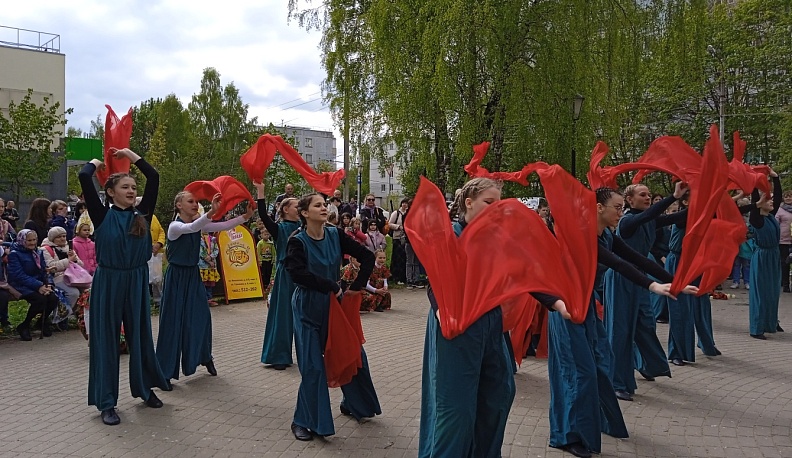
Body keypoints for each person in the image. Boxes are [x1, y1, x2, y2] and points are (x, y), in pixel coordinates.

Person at [420, 177, 568, 458]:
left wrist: (557, 303)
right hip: (456, 326)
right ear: (468, 203)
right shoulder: (449, 236)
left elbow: (524, 272)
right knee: (456, 408)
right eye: (489, 202)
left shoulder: (498, 240)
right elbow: (434, 281)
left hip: (490, 324)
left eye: (498, 204)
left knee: (499, 395)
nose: (495, 209)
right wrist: (441, 312)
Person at [548, 187, 697, 458]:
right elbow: (617, 264)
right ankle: (566, 435)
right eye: (617, 207)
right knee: (579, 372)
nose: (621, 213)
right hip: (567, 307)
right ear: (598, 208)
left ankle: (600, 420)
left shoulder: (606, 234)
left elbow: (636, 258)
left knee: (601, 364)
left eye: (620, 207)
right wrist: (653, 286)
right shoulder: (583, 235)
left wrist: (674, 282)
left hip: (586, 304)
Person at [79, 147, 171, 426]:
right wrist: (99, 161)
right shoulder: (101, 215)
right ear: (110, 192)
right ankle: (107, 402)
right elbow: (84, 176)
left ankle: (145, 389)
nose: (131, 191)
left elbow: (153, 177)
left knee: (140, 335)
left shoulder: (142, 213)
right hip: (109, 281)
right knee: (106, 340)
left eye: (133, 187)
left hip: (136, 279)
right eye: (125, 187)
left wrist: (129, 154)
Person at [284, 193, 381, 441]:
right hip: (307, 308)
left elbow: (367, 256)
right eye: (317, 205)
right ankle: (303, 421)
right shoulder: (297, 241)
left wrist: (357, 285)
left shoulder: (335, 234)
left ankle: (354, 403)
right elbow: (297, 274)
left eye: (324, 204)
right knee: (313, 367)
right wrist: (330, 285)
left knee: (353, 355)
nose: (324, 207)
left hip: (334, 307)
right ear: (305, 213)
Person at [156, 192, 254, 381]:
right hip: (176, 277)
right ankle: (164, 372)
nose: (195, 204)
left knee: (201, 318)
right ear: (179, 205)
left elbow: (223, 226)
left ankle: (204, 356)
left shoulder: (198, 224)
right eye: (190, 201)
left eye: (196, 202)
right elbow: (192, 227)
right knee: (172, 323)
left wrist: (245, 216)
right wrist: (210, 212)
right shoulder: (175, 227)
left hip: (192, 276)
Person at [603, 181, 687, 401]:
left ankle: (646, 365)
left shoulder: (649, 220)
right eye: (642, 194)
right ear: (629, 200)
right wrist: (673, 197)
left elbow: (679, 217)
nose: (648, 197)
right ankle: (617, 381)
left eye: (649, 194)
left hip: (640, 278)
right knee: (620, 331)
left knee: (646, 324)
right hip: (621, 278)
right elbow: (649, 215)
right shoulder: (628, 221)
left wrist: (709, 200)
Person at [664, 194, 721, 365]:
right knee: (680, 308)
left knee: (702, 304)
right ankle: (677, 352)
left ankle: (706, 343)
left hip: (696, 263)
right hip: (678, 263)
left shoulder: (704, 215)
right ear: (685, 202)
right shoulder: (682, 217)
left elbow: (722, 210)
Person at [256, 182, 301, 370]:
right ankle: (278, 356)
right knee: (283, 315)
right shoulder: (279, 228)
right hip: (286, 274)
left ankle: (309, 353)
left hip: (304, 273)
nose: (299, 209)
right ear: (285, 209)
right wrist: (260, 191)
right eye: (296, 206)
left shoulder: (304, 226)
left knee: (306, 315)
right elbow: (263, 215)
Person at [6, 229, 59, 340]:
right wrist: (38, 286)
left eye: (34, 240)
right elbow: (18, 275)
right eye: (29, 240)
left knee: (53, 298)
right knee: (40, 300)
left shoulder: (38, 252)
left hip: (37, 283)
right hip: (20, 285)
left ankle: (41, 322)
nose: (32, 243)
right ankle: (24, 325)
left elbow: (44, 270)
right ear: (22, 240)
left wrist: (49, 284)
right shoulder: (14, 254)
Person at [749, 169, 783, 339]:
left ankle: (771, 322)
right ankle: (757, 327)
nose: (771, 202)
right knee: (761, 292)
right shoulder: (757, 219)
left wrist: (775, 177)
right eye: (767, 200)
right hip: (762, 258)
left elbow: (778, 197)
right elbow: (755, 199)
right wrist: (754, 182)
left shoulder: (770, 216)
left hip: (774, 256)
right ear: (760, 203)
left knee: (773, 290)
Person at [41, 226, 84, 329]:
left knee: (86, 291)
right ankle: (61, 317)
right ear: (52, 238)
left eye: (64, 236)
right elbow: (51, 267)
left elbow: (81, 265)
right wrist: (68, 261)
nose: (62, 239)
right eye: (59, 237)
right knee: (73, 293)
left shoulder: (68, 248)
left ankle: (77, 316)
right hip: (56, 278)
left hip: (72, 277)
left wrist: (75, 260)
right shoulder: (46, 249)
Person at [775, 190, 792, 292]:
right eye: (786, 197)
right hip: (783, 240)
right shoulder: (780, 210)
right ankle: (785, 285)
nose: (788, 198)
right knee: (785, 263)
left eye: (790, 196)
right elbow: (776, 223)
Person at [388, 199, 409, 284]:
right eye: (403, 203)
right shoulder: (396, 213)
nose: (405, 205)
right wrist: (398, 227)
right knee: (397, 258)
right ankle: (396, 276)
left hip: (405, 238)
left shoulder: (408, 213)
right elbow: (389, 224)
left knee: (404, 258)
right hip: (397, 238)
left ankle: (403, 276)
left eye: (406, 203)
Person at [199, 232, 221, 306]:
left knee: (210, 283)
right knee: (202, 283)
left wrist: (211, 257)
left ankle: (209, 299)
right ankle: (203, 300)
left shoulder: (213, 239)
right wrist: (207, 259)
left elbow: (216, 249)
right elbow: (199, 251)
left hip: (211, 265)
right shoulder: (198, 239)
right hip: (202, 265)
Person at [256, 228, 276, 297]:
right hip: (263, 261)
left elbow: (273, 252)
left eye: (267, 235)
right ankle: (263, 285)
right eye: (265, 234)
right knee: (263, 273)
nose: (266, 236)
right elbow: (258, 252)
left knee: (269, 273)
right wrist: (260, 260)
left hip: (269, 261)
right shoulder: (260, 243)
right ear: (261, 235)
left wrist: (273, 259)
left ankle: (268, 285)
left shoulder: (271, 243)